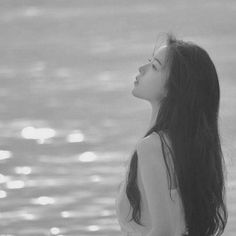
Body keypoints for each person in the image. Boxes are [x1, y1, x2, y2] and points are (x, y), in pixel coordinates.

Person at [115, 32, 228, 236]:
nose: (142, 68)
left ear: (173, 89)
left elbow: (163, 231)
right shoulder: (189, 148)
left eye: (154, 66)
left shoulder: (151, 146)